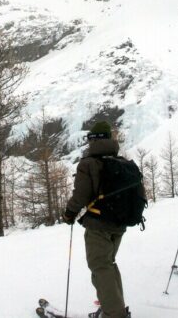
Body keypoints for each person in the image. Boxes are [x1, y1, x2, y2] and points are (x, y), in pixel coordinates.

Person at [62, 121, 134, 318]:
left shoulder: (88, 163)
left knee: (100, 266)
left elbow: (81, 195)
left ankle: (114, 314)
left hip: (98, 224)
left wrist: (69, 213)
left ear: (93, 140)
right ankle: (114, 307)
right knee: (108, 263)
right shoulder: (121, 162)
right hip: (119, 224)